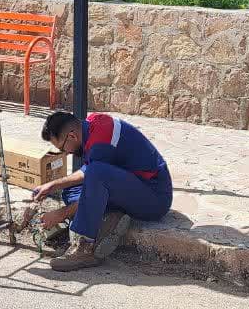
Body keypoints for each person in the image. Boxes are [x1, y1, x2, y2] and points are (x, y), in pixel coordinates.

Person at [32, 111, 173, 271]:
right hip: (131, 185)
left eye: (63, 148)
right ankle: (110, 216)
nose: (67, 153)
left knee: (95, 174)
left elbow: (95, 173)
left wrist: (61, 214)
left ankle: (85, 249)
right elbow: (88, 171)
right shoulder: (91, 124)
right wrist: (53, 185)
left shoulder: (101, 141)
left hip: (154, 198)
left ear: (72, 136)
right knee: (70, 190)